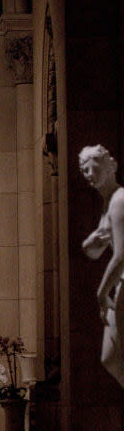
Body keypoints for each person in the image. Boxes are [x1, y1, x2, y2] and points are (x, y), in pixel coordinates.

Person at [80, 144, 124, 388]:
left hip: (121, 285)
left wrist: (101, 293)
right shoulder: (109, 205)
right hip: (119, 288)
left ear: (108, 166)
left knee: (113, 356)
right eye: (84, 170)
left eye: (92, 167)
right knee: (110, 357)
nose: (88, 174)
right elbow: (95, 251)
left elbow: (120, 256)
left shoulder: (119, 200)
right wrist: (91, 243)